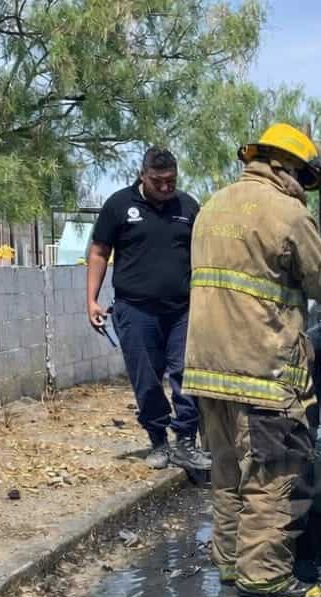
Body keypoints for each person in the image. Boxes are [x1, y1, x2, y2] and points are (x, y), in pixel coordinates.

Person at [183, 123, 321, 597]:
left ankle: (228, 564)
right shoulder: (285, 215)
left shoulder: (211, 207)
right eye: (306, 178)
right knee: (270, 477)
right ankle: (263, 577)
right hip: (262, 374)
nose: (305, 190)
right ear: (289, 168)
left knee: (226, 474)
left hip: (206, 371)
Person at [88, 147, 210, 472]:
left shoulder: (188, 206)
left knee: (187, 376)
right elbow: (100, 251)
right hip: (135, 310)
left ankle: (186, 442)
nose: (166, 187)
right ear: (143, 175)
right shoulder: (119, 205)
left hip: (182, 311)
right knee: (147, 380)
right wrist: (91, 299)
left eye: (172, 180)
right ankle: (158, 441)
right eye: (159, 181)